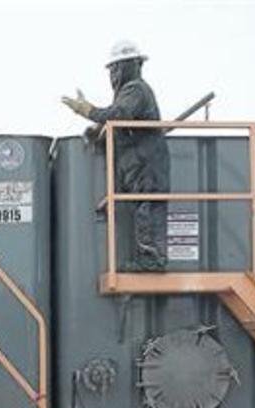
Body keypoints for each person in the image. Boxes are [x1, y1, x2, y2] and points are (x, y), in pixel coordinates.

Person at [62, 39, 169, 272]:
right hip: (138, 163)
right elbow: (118, 122)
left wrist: (89, 111)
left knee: (147, 206)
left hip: (146, 162)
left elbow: (119, 115)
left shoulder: (136, 89)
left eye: (114, 69)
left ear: (126, 66)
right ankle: (149, 257)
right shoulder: (129, 93)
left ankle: (154, 259)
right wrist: (98, 131)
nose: (112, 75)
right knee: (143, 207)